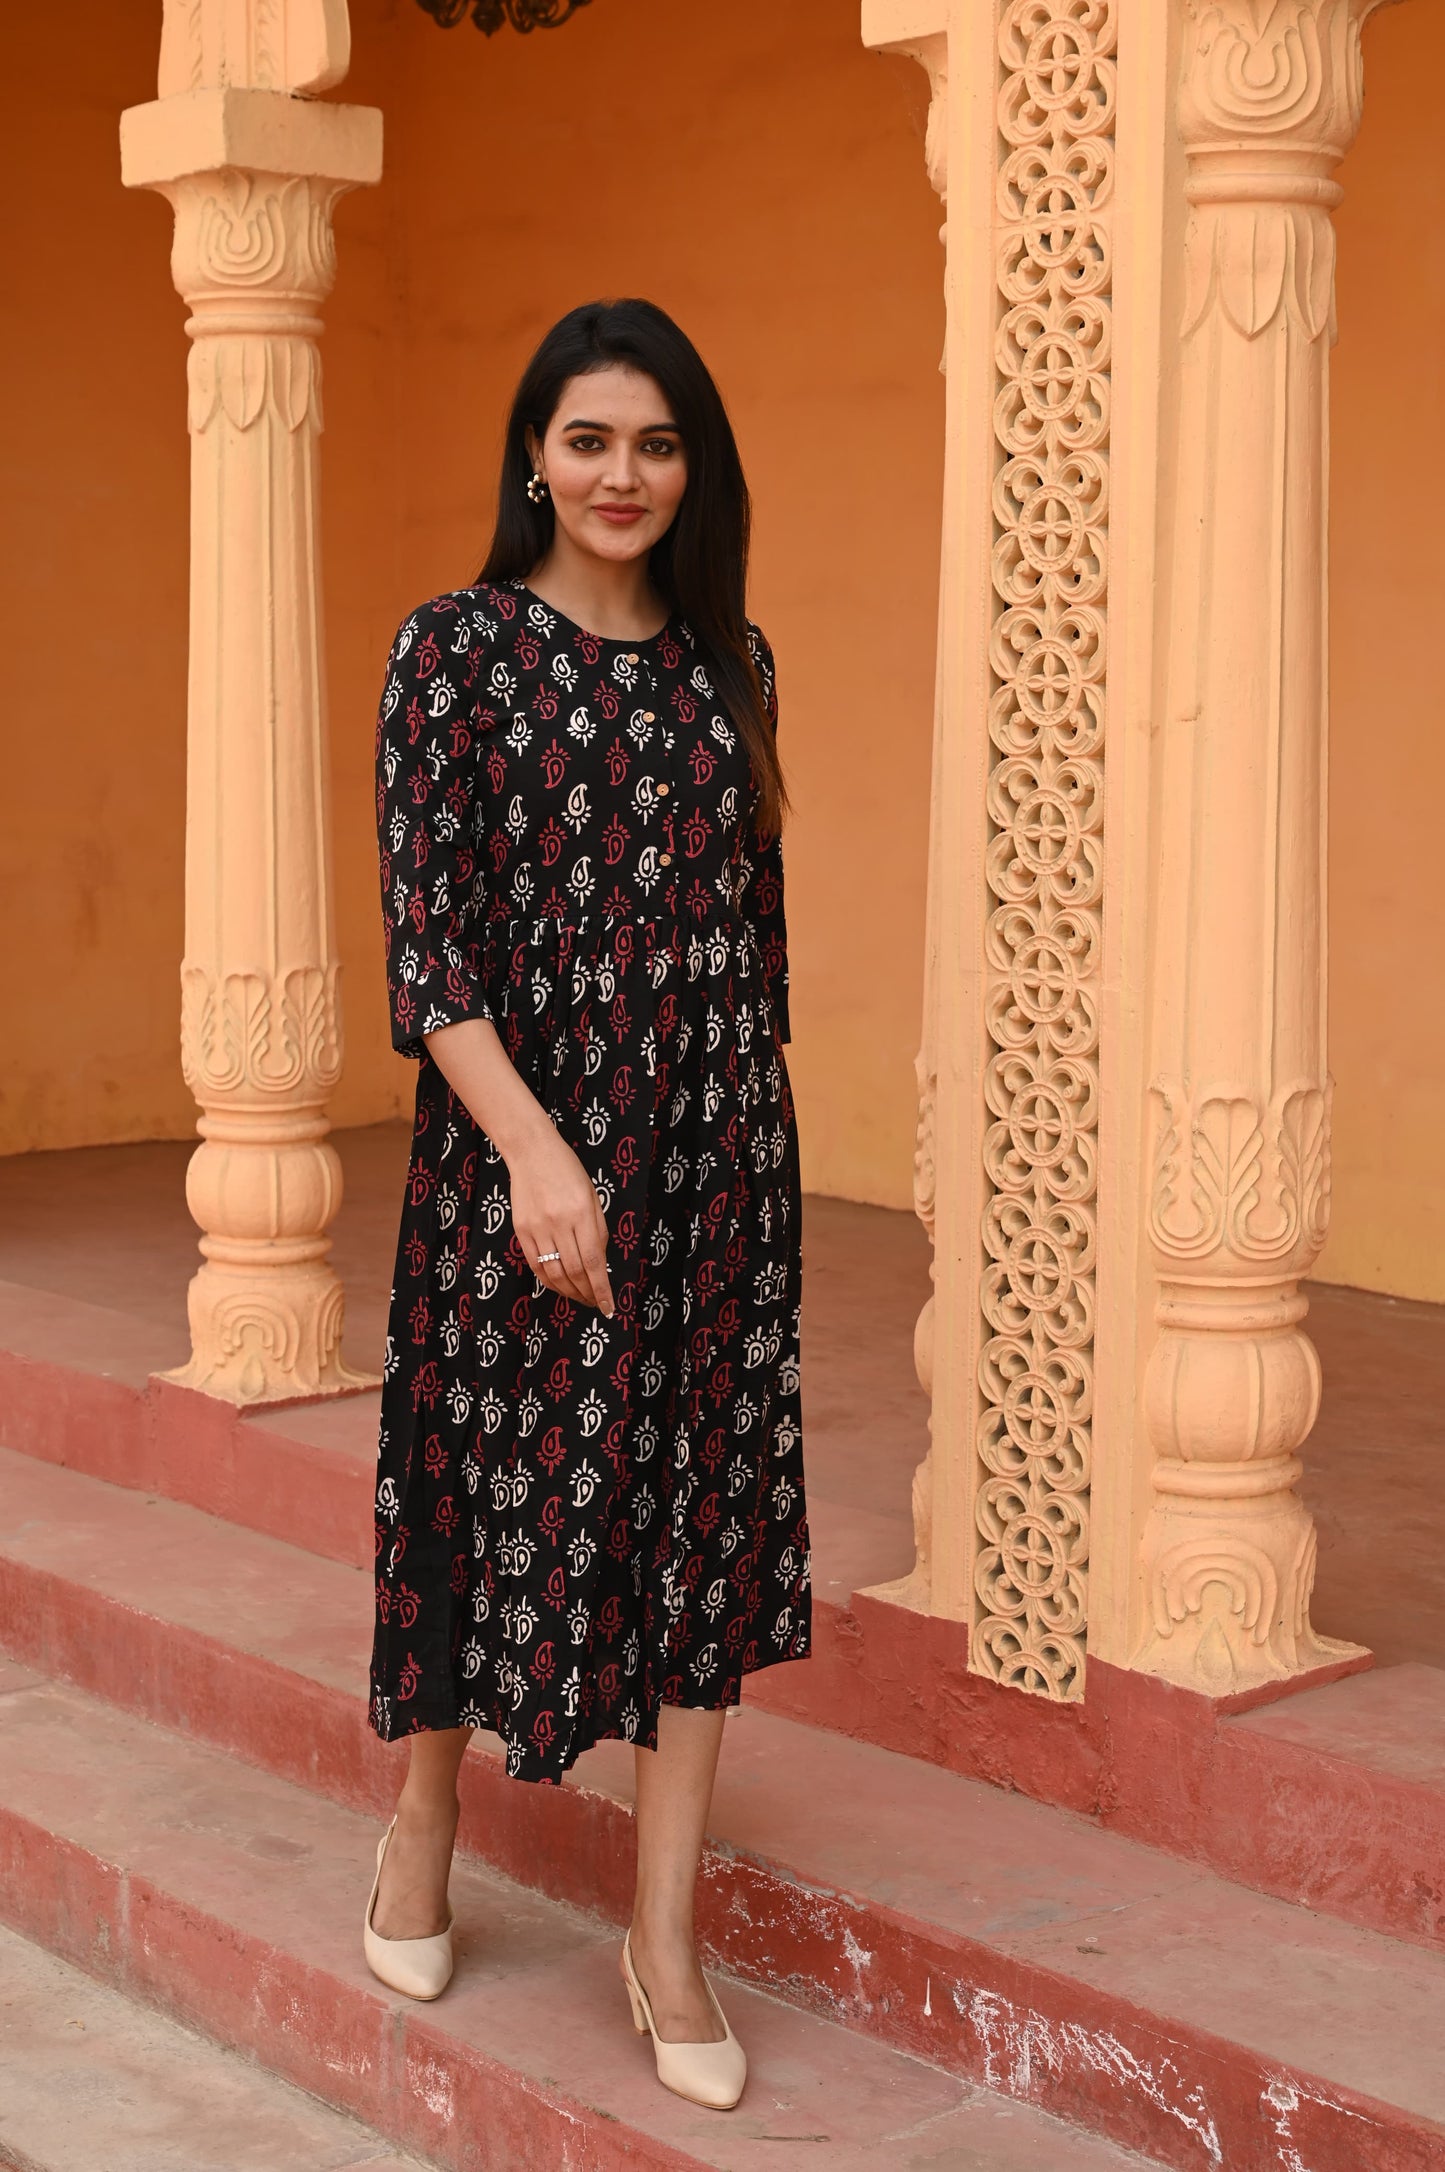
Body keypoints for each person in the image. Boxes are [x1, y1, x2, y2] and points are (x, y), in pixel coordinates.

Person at [360, 298, 810, 2113]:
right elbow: (430, 944)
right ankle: (420, 1823)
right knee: (487, 1486)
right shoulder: (451, 653)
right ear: (531, 454)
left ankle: (663, 1935)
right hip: (507, 1157)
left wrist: (748, 1171)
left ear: (694, 468)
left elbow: (752, 952)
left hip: (713, 1165)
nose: (621, 475)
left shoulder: (735, 662)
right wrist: (538, 1155)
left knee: (693, 1526)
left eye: (657, 443)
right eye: (589, 438)